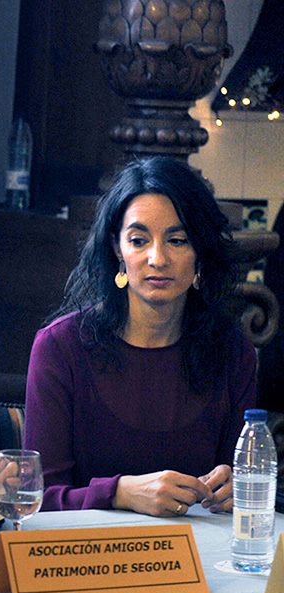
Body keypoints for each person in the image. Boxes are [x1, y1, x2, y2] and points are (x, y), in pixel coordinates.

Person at [24, 155, 256, 516]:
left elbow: (240, 482)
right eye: (138, 240)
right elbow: (37, 498)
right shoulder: (60, 347)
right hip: (84, 559)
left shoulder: (233, 351)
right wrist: (118, 493)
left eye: (177, 241)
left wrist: (234, 489)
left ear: (200, 252)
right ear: (118, 249)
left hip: (198, 558)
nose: (157, 258)